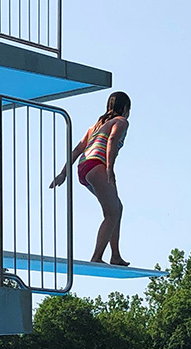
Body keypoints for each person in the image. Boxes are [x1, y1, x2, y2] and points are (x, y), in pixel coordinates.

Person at [48, 91, 132, 265]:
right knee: (111, 213)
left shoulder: (95, 127)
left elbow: (78, 149)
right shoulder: (121, 121)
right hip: (97, 165)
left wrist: (63, 173)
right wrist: (109, 168)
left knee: (117, 208)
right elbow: (113, 140)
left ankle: (115, 255)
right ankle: (97, 257)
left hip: (83, 167)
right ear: (125, 108)